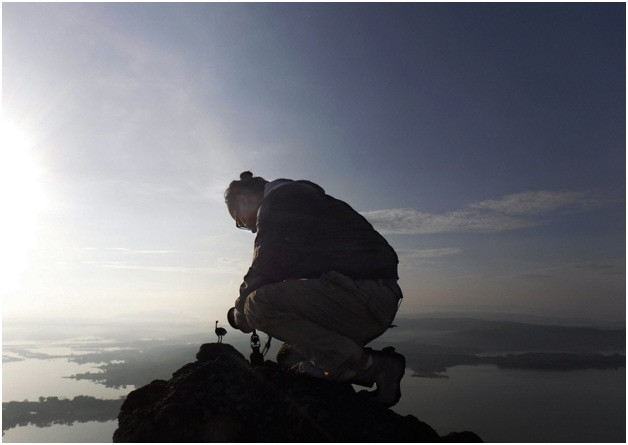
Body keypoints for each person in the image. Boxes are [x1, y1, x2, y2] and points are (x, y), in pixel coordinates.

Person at [225, 171, 405, 407]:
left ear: (244, 200)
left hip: (363, 298)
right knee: (290, 358)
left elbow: (265, 267)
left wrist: (240, 312)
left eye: (239, 221)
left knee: (256, 305)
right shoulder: (301, 200)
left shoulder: (279, 201)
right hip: (368, 297)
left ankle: (375, 367)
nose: (246, 228)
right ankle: (350, 373)